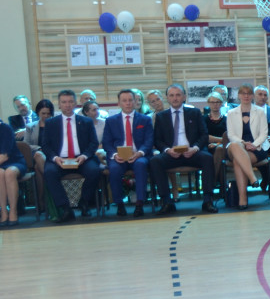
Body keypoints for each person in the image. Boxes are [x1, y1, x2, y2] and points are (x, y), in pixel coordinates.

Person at [149, 84, 218, 215]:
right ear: (167, 98)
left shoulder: (195, 112)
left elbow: (204, 135)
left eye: (178, 95)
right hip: (171, 154)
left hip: (192, 152)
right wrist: (168, 150)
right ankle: (167, 202)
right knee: (155, 161)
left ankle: (208, 200)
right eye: (171, 95)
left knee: (208, 158)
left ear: (184, 97)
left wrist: (195, 148)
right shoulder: (161, 116)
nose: (175, 98)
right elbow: (157, 140)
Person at [42, 89, 102, 223]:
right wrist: (55, 158)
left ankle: (84, 202)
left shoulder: (86, 121)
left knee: (94, 170)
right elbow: (45, 145)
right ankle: (65, 208)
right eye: (64, 102)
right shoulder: (51, 123)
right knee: (49, 172)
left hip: (81, 159)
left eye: (70, 102)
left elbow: (93, 143)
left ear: (75, 103)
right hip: (59, 159)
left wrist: (84, 156)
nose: (67, 105)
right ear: (59, 104)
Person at [102, 89, 152, 217]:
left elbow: (149, 141)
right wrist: (114, 155)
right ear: (119, 103)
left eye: (130, 100)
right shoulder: (111, 121)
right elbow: (107, 143)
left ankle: (140, 204)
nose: (128, 103)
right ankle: (119, 204)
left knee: (141, 165)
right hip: (119, 156)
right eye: (124, 101)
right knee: (114, 169)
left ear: (135, 102)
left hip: (138, 155)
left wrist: (140, 153)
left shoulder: (145, 120)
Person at [226, 84, 270, 210]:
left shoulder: (260, 112)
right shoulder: (231, 113)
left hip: (256, 148)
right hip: (237, 146)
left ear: (252, 96)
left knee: (238, 162)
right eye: (243, 93)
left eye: (248, 93)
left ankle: (242, 199)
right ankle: (252, 177)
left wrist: (254, 144)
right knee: (235, 145)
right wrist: (243, 143)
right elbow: (231, 135)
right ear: (238, 95)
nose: (246, 96)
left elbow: (264, 134)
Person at [0, 120, 27, 227]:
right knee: (0, 174)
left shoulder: (5, 128)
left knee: (9, 173)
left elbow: (4, 156)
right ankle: (3, 211)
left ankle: (13, 210)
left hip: (14, 161)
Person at [204, 91, 229, 188]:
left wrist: (217, 143)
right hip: (207, 147)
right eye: (212, 102)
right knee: (219, 150)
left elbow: (229, 136)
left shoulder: (227, 119)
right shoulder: (203, 119)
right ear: (208, 103)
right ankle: (223, 185)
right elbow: (205, 136)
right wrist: (221, 140)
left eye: (217, 102)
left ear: (221, 103)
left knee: (219, 149)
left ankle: (212, 181)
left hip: (225, 147)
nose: (215, 104)